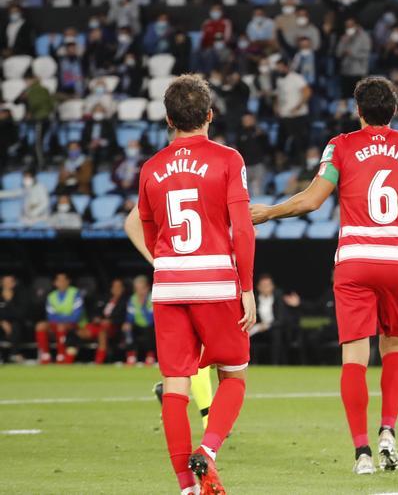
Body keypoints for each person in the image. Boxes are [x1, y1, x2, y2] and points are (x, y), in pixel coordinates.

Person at [251, 77, 398, 475]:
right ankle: (388, 430)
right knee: (394, 346)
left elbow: (311, 200)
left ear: (357, 110)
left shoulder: (340, 145)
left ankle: (362, 452)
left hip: (355, 261)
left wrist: (269, 212)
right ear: (394, 111)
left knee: (355, 358)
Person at [136, 74, 256, 495]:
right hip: (217, 282)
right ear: (209, 115)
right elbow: (242, 229)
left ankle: (187, 487)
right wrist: (248, 289)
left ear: (169, 119)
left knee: (175, 385)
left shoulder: (150, 168)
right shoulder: (228, 159)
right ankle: (206, 451)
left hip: (169, 283)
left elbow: (150, 233)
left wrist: (170, 264)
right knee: (235, 375)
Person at [124, 208, 217, 430]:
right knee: (202, 351)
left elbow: (131, 222)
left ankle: (169, 393)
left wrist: (157, 261)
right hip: (198, 279)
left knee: (215, 353)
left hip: (197, 277)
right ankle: (208, 417)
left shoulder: (162, 178)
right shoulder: (183, 178)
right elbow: (132, 222)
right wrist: (156, 260)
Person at [35, 272, 85, 364]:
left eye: (63, 280)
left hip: (74, 325)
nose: (61, 282)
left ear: (68, 281)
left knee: (61, 326)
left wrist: (62, 319)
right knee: (40, 326)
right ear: (55, 283)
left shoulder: (75, 293)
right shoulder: (51, 296)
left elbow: (76, 314)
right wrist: (63, 319)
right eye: (59, 280)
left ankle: (61, 355)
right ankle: (45, 355)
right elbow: (50, 316)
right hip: (57, 324)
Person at [122, 275, 156, 365]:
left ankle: (150, 356)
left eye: (142, 288)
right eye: (137, 289)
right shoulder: (132, 299)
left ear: (147, 288)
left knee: (151, 329)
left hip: (150, 326)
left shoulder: (152, 298)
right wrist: (128, 323)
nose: (139, 291)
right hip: (137, 326)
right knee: (127, 328)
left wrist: (143, 304)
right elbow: (130, 315)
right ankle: (131, 356)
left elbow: (151, 317)